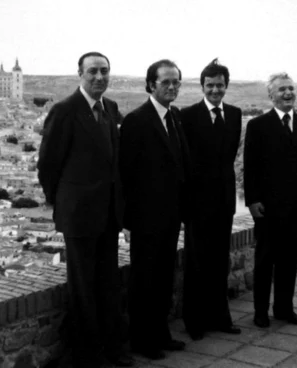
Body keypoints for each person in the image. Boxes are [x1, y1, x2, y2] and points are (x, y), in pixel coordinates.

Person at [37, 51, 133, 367]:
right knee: (82, 287)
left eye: (104, 71)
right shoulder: (65, 111)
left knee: (108, 282)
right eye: (92, 71)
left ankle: (114, 348)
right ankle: (87, 355)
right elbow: (48, 165)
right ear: (80, 73)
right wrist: (62, 202)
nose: (99, 77)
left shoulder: (111, 108)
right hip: (78, 215)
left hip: (107, 213)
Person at [119, 59, 190, 360]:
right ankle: (142, 340)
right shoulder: (137, 120)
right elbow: (126, 172)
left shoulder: (174, 116)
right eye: (166, 82)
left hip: (170, 215)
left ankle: (161, 333)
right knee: (144, 280)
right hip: (146, 218)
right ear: (150, 85)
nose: (172, 87)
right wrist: (128, 222)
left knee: (163, 277)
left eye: (176, 82)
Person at [244, 72, 297, 328]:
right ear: (271, 95)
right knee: (265, 260)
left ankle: (284, 309)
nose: (288, 93)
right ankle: (260, 311)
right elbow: (251, 167)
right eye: (282, 90)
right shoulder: (257, 126)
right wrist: (252, 200)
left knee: (289, 261)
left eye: (291, 88)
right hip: (268, 208)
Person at [181, 59, 242, 340]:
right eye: (210, 85)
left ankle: (220, 317)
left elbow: (228, 157)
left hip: (224, 202)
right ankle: (195, 322)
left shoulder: (235, 113)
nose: (215, 90)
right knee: (196, 263)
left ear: (226, 86)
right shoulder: (188, 115)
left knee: (220, 262)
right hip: (197, 203)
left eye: (220, 85)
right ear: (202, 86)